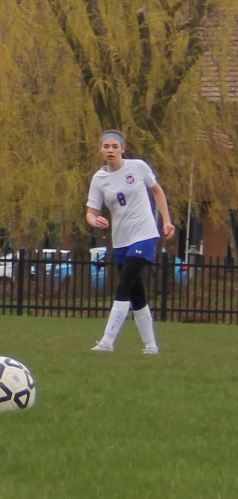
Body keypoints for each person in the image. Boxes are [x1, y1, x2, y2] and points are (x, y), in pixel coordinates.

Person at [86, 129, 175, 354]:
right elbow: (90, 212)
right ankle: (151, 346)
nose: (110, 150)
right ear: (100, 149)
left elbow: (157, 191)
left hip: (144, 235)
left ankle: (107, 342)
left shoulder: (138, 167)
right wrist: (94, 220)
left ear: (123, 149)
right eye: (106, 146)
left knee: (124, 283)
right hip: (121, 241)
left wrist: (166, 221)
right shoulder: (99, 179)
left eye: (115, 146)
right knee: (137, 294)